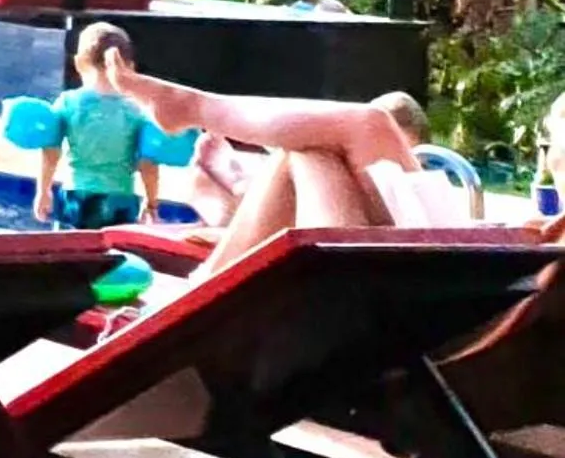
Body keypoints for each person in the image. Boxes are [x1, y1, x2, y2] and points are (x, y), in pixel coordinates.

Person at [103, 56, 428, 279]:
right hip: (390, 276)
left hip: (391, 288)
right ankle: (213, 270)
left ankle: (195, 109)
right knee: (310, 152)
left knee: (367, 125)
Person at [27, 23, 179, 229]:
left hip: (76, 194)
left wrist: (43, 191)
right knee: (113, 255)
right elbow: (148, 164)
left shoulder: (69, 102)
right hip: (121, 199)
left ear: (78, 63)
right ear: (130, 67)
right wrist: (151, 203)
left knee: (69, 253)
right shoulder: (137, 110)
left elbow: (50, 151)